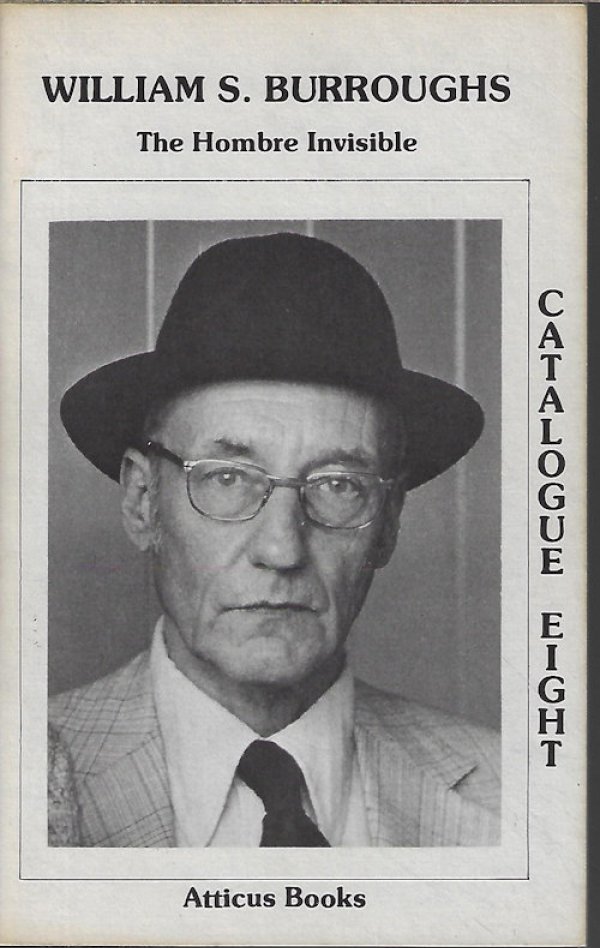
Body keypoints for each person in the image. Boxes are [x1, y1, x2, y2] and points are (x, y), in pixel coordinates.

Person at [48, 231, 500, 848]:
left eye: (338, 485)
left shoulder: (516, 796)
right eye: (227, 478)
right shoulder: (29, 776)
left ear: (389, 521)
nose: (283, 550)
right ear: (143, 501)